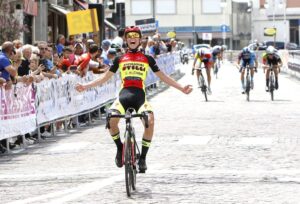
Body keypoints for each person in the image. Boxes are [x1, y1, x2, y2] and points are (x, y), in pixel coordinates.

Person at [76, 26, 192, 173]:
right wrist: (85, 86)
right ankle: (120, 148)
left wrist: (181, 88)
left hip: (140, 98)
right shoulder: (119, 59)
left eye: (135, 36)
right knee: (111, 120)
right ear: (126, 39)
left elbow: (162, 76)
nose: (132, 38)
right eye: (129, 36)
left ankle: (142, 158)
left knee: (150, 121)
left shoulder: (147, 58)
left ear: (139, 39)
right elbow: (105, 78)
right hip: (123, 96)